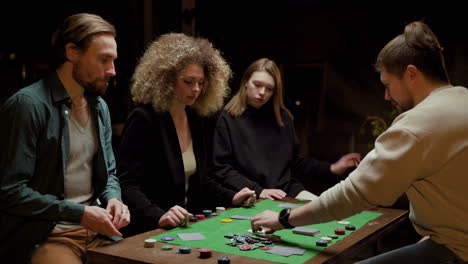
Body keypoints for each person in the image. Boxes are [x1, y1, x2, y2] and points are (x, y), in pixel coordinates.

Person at [251, 22, 468, 264]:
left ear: (411, 74)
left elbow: (352, 195)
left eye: (387, 85)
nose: (386, 96)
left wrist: (283, 219)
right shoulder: (462, 98)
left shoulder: (415, 124)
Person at [0, 13, 130, 264]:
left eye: (113, 61)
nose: (112, 71)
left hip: (98, 231)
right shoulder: (28, 105)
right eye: (104, 59)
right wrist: (79, 213)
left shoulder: (99, 106)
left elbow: (109, 174)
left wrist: (114, 198)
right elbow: (10, 191)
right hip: (47, 234)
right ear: (72, 52)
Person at [117, 33, 255, 236]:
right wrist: (159, 215)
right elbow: (126, 184)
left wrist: (232, 196)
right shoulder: (144, 118)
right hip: (148, 231)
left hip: (188, 227)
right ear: (166, 79)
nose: (196, 89)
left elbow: (202, 182)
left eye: (201, 82)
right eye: (188, 81)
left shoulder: (196, 118)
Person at [212, 58, 361, 201]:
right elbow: (222, 169)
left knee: (326, 211)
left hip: (287, 191)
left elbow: (296, 161)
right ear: (245, 82)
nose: (262, 92)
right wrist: (259, 190)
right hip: (250, 195)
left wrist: (332, 168)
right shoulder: (227, 118)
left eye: (269, 89)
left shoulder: (283, 118)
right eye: (257, 84)